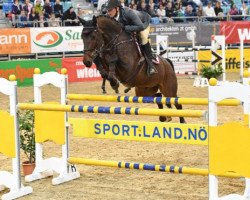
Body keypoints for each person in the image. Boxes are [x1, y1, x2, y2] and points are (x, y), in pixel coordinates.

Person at [106, 0, 157, 76]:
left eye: (110, 10)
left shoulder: (128, 12)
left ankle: (151, 66)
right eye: (107, 10)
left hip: (143, 23)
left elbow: (140, 27)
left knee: (143, 38)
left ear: (117, 8)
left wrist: (126, 28)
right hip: (132, 26)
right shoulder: (112, 16)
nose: (108, 13)